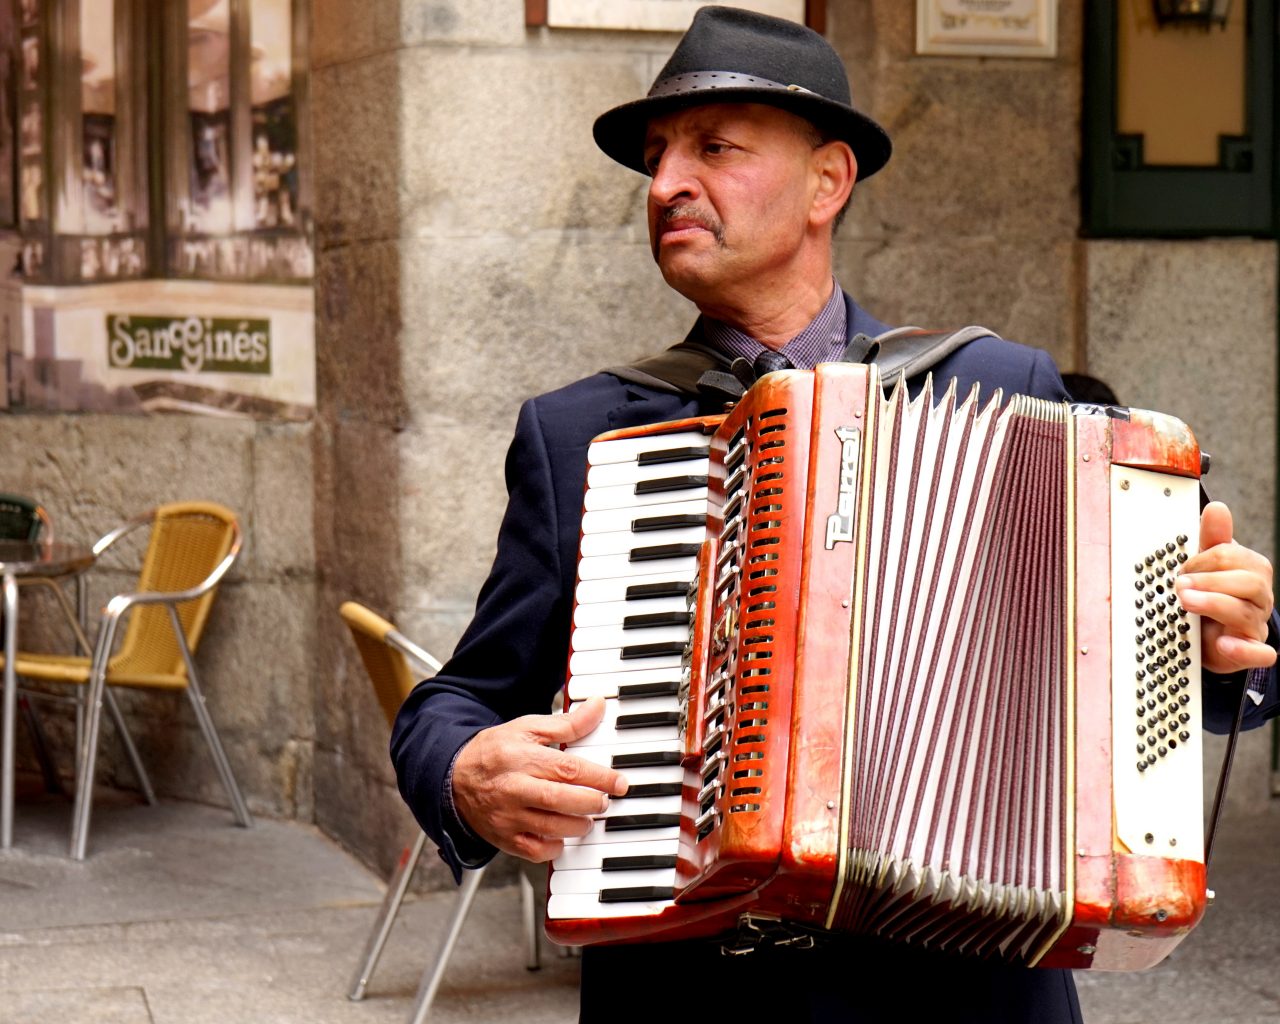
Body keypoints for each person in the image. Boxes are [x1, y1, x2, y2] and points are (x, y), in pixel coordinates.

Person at [392, 9, 1279, 1022]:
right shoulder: (580, 434)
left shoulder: (1010, 391)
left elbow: (1213, 664)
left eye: (712, 147)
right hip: (695, 994)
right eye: (656, 155)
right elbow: (450, 703)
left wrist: (1221, 643)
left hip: (968, 991)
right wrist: (463, 770)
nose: (666, 181)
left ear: (827, 182)